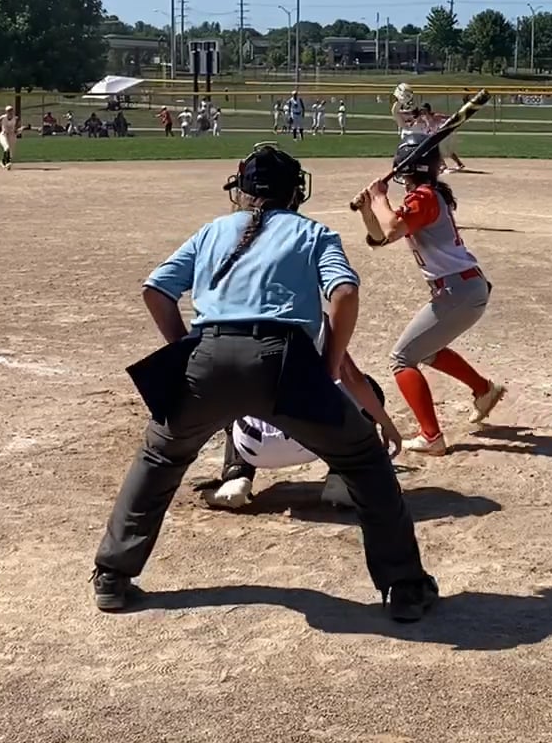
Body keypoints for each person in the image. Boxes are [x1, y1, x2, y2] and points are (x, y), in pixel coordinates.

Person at [92, 142, 438, 621]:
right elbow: (344, 293)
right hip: (284, 362)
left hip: (208, 356)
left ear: (242, 188)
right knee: (363, 460)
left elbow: (156, 290)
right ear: (296, 192)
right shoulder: (313, 232)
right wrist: (329, 365)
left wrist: (184, 350)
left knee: (161, 457)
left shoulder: (213, 230)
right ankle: (404, 588)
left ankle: (112, 575)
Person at [351, 134, 506, 455]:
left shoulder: (424, 197)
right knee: (425, 349)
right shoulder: (423, 197)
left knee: (402, 358)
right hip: (460, 289)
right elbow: (379, 238)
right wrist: (369, 208)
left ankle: (431, 437)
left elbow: (391, 228)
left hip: (458, 289)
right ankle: (483, 390)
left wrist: (380, 199)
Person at [208, 313, 402, 510]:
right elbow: (354, 380)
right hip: (311, 441)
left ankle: (236, 474)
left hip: (252, 447)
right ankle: (342, 478)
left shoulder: (237, 318)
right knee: (368, 389)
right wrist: (386, 424)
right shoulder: (317, 318)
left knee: (233, 391)